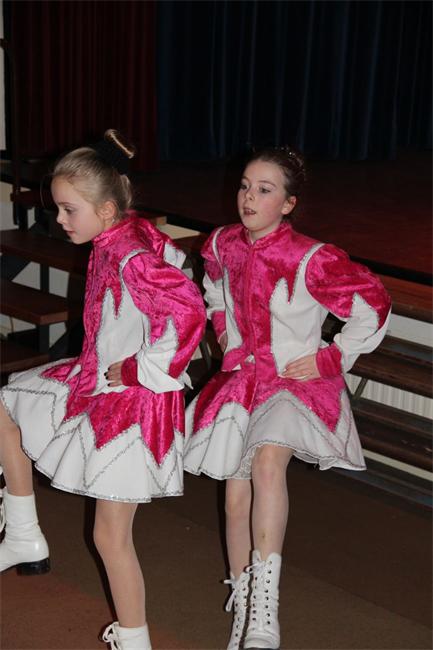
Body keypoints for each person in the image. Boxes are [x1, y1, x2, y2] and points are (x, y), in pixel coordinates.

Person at [0, 129, 206, 650]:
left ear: (107, 210)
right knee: (6, 404)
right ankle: (23, 532)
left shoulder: (131, 254)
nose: (60, 219)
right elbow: (178, 266)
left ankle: (134, 642)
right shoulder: (125, 236)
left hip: (133, 403)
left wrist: (140, 368)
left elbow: (188, 312)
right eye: (58, 208)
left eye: (69, 210)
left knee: (110, 537)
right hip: (97, 379)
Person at [184, 146, 391, 650]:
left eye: (264, 190)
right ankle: (244, 602)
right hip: (243, 381)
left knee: (268, 462)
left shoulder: (310, 258)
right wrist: (225, 333)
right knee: (235, 499)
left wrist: (331, 358)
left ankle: (266, 610)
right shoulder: (223, 244)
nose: (249, 197)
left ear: (289, 203)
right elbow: (215, 290)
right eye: (244, 186)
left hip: (294, 381)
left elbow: (372, 305)